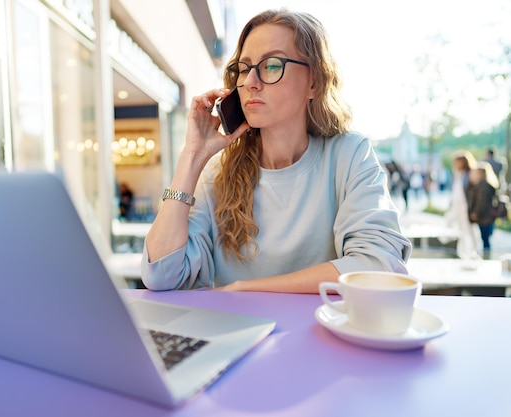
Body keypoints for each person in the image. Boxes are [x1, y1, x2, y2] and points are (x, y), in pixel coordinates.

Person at [141, 9, 411, 293]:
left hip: (321, 331)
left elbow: (379, 266)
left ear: (314, 82)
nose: (250, 83)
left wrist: (246, 289)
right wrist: (192, 156)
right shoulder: (217, 173)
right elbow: (161, 275)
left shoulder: (349, 154)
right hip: (239, 334)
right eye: (244, 69)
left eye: (271, 65)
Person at [445, 151, 480, 261]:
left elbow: (473, 191)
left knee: (468, 229)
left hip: (465, 206)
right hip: (456, 204)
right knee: (458, 228)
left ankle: (475, 252)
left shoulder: (469, 173)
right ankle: (462, 251)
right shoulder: (456, 174)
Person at [467, 162, 499, 252]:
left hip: (485, 217)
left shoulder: (483, 185)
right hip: (486, 217)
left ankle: (486, 257)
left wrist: (476, 213)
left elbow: (482, 202)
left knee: (485, 239)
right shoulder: (482, 184)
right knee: (485, 238)